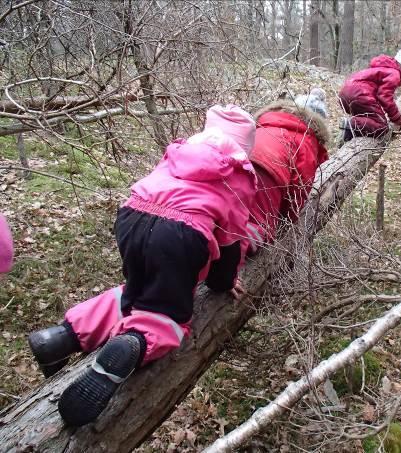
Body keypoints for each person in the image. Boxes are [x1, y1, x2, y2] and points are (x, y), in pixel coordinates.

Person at [27, 104, 257, 427]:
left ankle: (62, 337)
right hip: (180, 234)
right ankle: (132, 343)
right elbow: (232, 240)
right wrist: (223, 281)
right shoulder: (240, 175)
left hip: (132, 216)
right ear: (245, 146)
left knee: (136, 291)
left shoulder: (180, 151)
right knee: (165, 316)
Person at [242, 90, 330, 255]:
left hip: (239, 159)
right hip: (269, 173)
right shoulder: (306, 139)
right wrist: (289, 219)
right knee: (259, 228)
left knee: (232, 216)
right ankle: (230, 268)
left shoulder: (267, 122)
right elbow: (299, 188)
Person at [338, 45, 401, 142]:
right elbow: (384, 96)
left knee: (369, 119)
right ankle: (350, 125)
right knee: (381, 126)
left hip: (345, 93)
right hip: (360, 94)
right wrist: (396, 118)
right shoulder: (394, 74)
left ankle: (348, 135)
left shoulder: (382, 69)